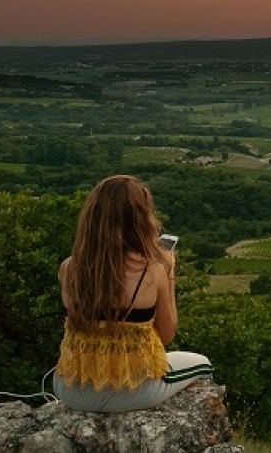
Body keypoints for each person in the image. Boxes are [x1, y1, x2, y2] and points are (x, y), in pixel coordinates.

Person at [53, 175, 212, 412]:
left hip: (72, 390)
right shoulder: (153, 271)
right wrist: (169, 271)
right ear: (140, 220)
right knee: (204, 365)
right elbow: (166, 335)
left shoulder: (69, 268)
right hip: (135, 390)